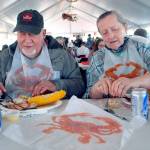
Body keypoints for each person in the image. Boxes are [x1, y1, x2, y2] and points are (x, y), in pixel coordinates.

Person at [0, 9, 85, 99]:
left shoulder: (61, 55)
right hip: (13, 110)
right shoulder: (5, 56)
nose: (27, 39)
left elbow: (79, 86)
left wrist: (56, 85)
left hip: (54, 111)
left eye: (32, 33)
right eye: (22, 33)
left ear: (43, 33)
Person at [84, 10, 150, 99]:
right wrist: (96, 89)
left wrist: (134, 81)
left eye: (115, 29)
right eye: (105, 33)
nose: (110, 36)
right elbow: (90, 95)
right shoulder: (98, 57)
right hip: (112, 109)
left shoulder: (142, 45)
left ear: (125, 28)